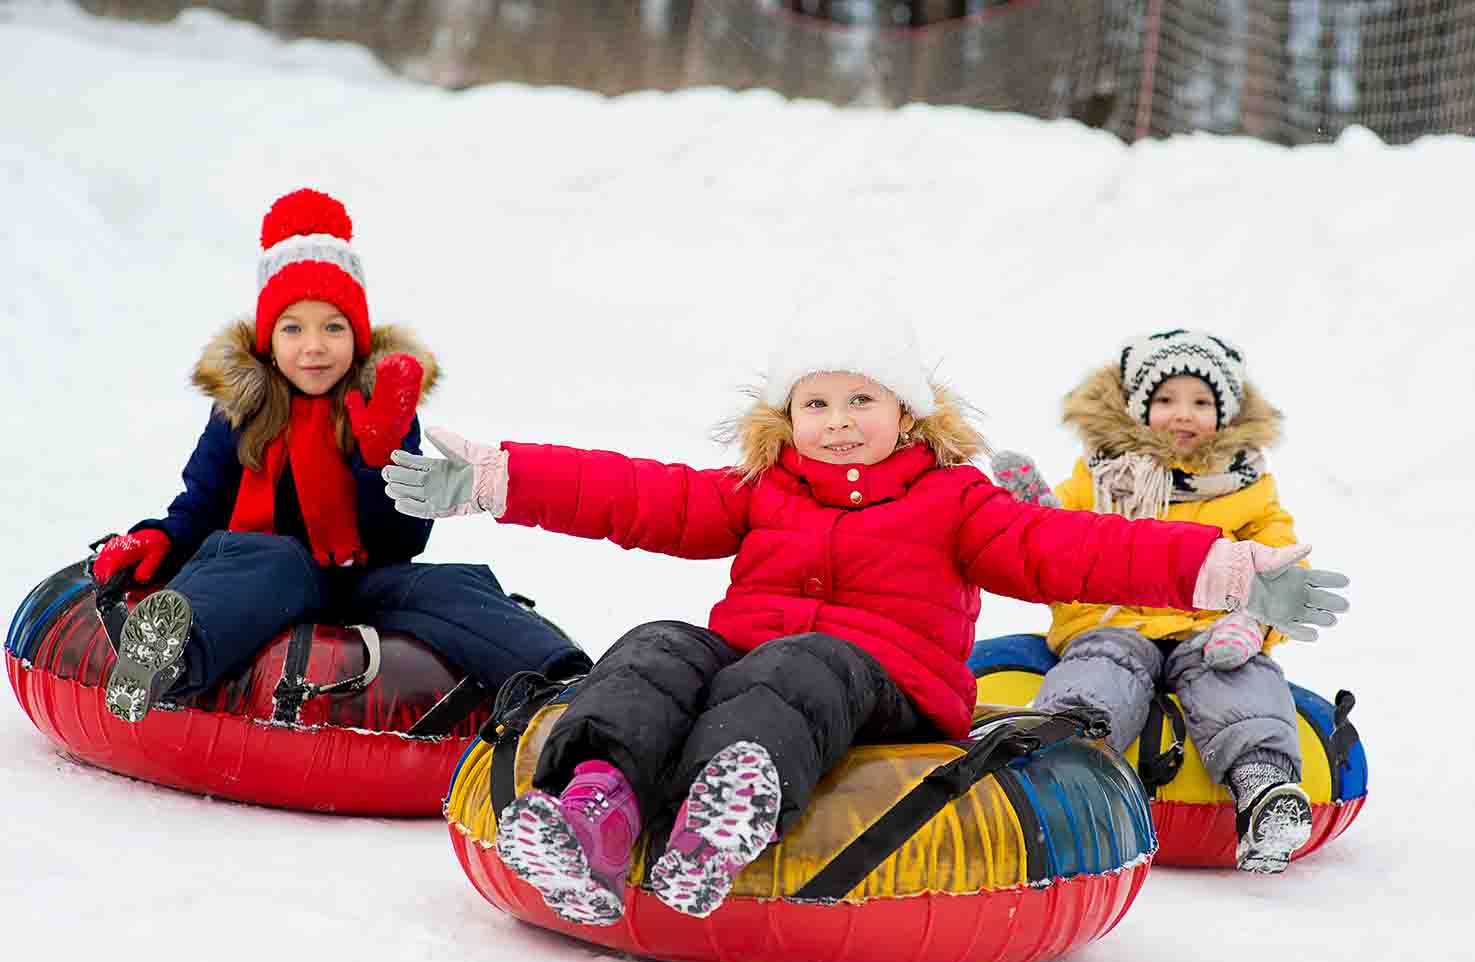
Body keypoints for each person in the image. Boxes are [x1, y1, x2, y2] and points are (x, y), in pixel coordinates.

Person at [384, 296, 1348, 923]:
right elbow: (636, 495)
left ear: (910, 413)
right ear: (786, 417)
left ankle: (726, 816)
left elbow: (1078, 547)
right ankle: (595, 807)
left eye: (862, 399)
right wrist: (492, 481)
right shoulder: (763, 488)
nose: (839, 421)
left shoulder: (956, 499)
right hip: (751, 658)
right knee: (661, 644)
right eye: (816, 403)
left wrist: (1228, 572)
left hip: (887, 682)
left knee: (796, 666)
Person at [91, 188, 590, 724]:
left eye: (333, 327)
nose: (313, 346)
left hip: (363, 579)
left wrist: (382, 454)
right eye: (293, 328)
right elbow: (201, 505)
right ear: (267, 338)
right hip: (265, 576)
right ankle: (168, 658)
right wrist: (160, 537)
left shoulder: (382, 409)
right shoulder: (240, 413)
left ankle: (562, 684)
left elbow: (404, 540)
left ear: (357, 335)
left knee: (446, 585)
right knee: (272, 559)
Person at [995, 328, 1334, 873]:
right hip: (1113, 617)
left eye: (1202, 402)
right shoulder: (1103, 475)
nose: (1184, 414)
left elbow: (1280, 557)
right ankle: (1064, 770)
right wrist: (1037, 517)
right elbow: (1064, 545)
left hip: (1209, 628)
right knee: (1100, 668)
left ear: (1226, 415)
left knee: (1239, 675)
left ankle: (1263, 789)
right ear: (1135, 408)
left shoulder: (1247, 488)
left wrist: (1254, 623)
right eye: (1165, 399)